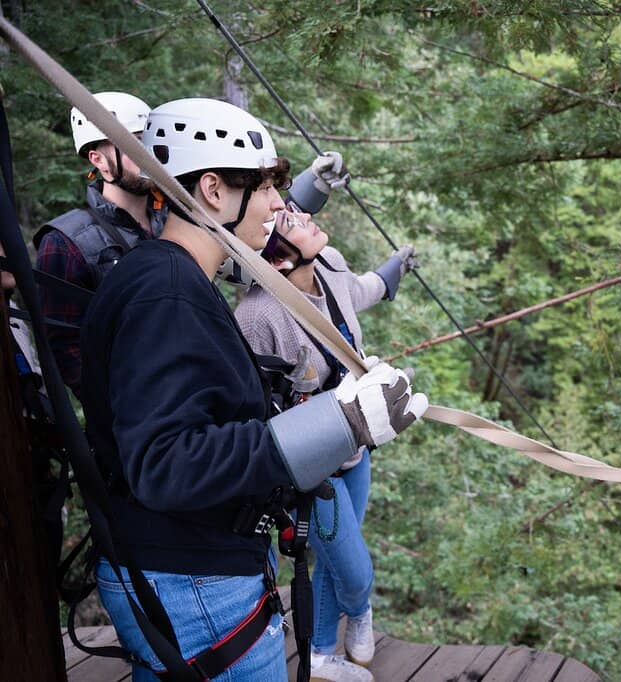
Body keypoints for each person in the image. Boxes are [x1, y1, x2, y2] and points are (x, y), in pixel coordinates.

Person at [78, 97, 427, 681]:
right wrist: (341, 424)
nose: (276, 203)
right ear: (213, 190)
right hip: (193, 584)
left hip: (176, 569)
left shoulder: (167, 275)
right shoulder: (167, 294)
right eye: (266, 185)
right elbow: (165, 463)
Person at [235, 203, 417, 675]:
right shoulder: (257, 317)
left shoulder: (330, 264)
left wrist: (396, 267)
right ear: (277, 261)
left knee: (338, 562)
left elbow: (360, 291)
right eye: (292, 223)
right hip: (312, 470)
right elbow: (251, 407)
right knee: (355, 573)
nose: (305, 217)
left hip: (355, 452)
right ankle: (359, 613)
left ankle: (318, 654)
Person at [34, 92, 166, 399]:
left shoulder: (174, 221)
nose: (150, 154)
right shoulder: (65, 243)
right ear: (98, 160)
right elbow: (66, 351)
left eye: (151, 141)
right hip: (133, 416)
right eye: (134, 143)